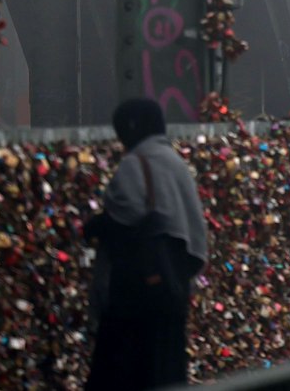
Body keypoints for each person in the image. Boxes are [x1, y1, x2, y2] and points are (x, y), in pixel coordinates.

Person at [85, 98, 208, 391]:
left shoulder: (136, 163)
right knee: (166, 370)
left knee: (121, 372)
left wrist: (94, 226)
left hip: (136, 294)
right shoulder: (175, 161)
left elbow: (125, 218)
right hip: (172, 288)